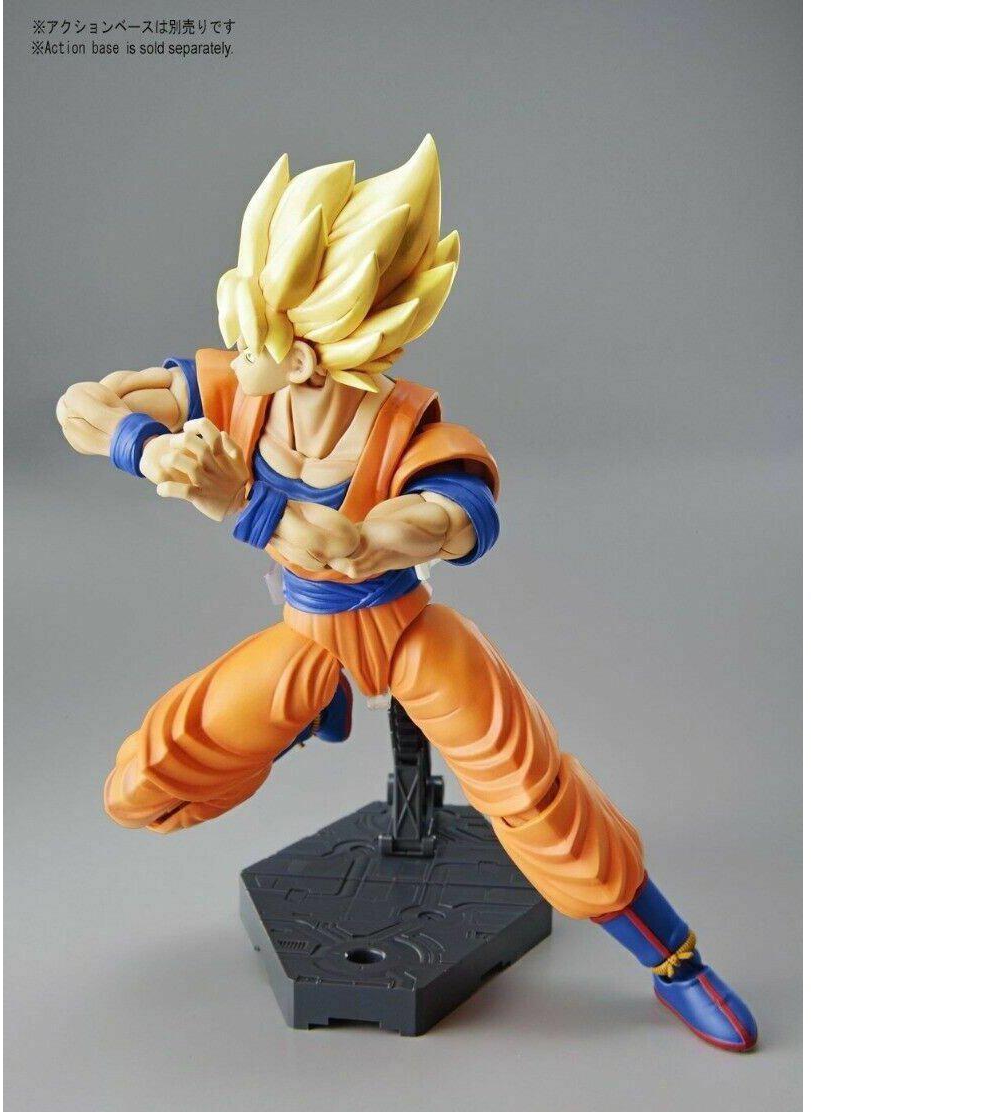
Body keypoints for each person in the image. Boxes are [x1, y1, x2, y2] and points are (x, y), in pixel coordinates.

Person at [56, 136, 757, 1051]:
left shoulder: (420, 442)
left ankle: (677, 963)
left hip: (410, 635)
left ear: (306, 358)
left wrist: (238, 499)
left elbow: (351, 548)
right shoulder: (235, 389)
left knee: (538, 799)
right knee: (146, 786)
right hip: (309, 635)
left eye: (257, 333)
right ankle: (317, 707)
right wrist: (149, 447)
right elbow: (83, 404)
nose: (235, 347)